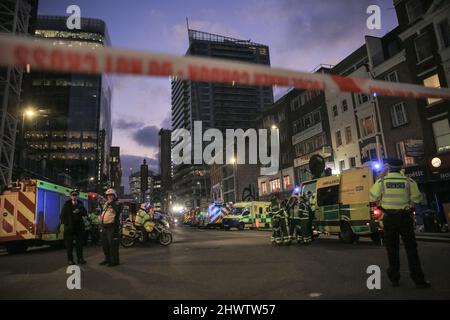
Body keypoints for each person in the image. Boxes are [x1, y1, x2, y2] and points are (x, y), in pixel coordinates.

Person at [369, 158, 430, 288]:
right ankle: (418, 279)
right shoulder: (409, 181)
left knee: (392, 249)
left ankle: (394, 277)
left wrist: (380, 178)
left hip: (390, 219)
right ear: (401, 167)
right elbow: (417, 198)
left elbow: (372, 197)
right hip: (405, 218)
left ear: (388, 168)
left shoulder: (382, 181)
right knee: (411, 249)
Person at [60, 190, 87, 265]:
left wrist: (80, 210)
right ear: (70, 196)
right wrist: (66, 224)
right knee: (69, 245)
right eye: (73, 195)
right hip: (69, 228)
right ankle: (70, 260)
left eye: (76, 195)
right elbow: (62, 216)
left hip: (79, 228)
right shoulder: (67, 204)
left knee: (79, 245)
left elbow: (85, 213)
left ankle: (80, 259)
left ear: (77, 196)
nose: (74, 196)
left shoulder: (80, 204)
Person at [100, 188, 121, 267]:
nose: (109, 196)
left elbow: (118, 211)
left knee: (113, 245)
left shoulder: (117, 203)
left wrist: (111, 203)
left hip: (112, 227)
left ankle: (114, 261)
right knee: (105, 245)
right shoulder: (106, 203)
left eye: (111, 195)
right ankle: (107, 259)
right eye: (108, 195)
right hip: (104, 226)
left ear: (114, 196)